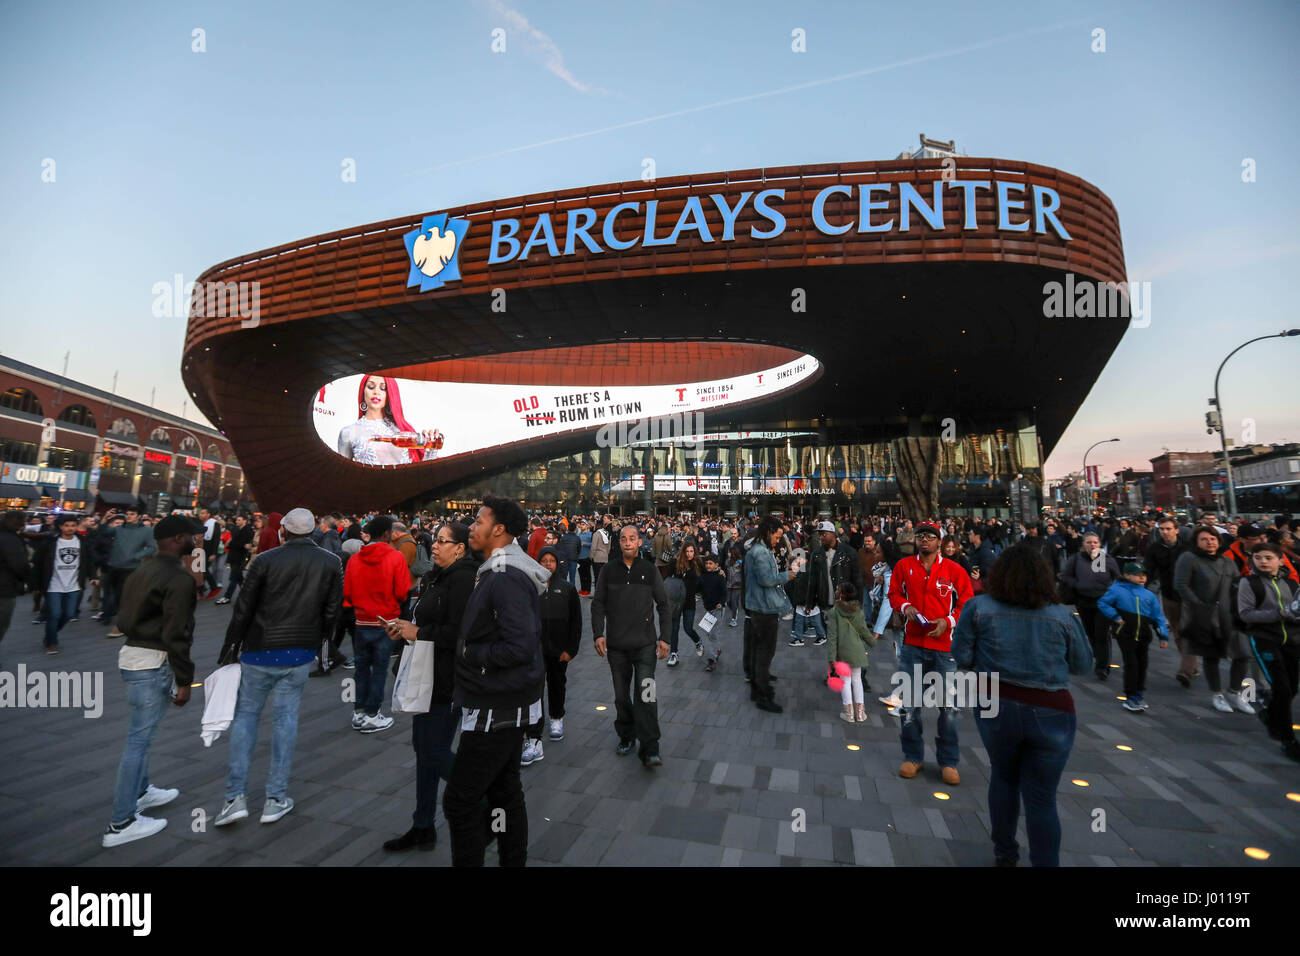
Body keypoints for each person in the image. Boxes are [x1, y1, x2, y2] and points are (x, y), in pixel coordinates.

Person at [950, 545, 1094, 866]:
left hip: (996, 701)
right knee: (1042, 798)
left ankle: (1005, 851)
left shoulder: (978, 607)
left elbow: (961, 656)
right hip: (1051, 707)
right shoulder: (1062, 615)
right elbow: (1083, 664)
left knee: (1003, 777)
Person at [212, 508, 343, 827]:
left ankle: (235, 798)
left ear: (283, 530)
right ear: (314, 531)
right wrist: (321, 644)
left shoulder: (264, 560)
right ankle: (275, 798)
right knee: (285, 720)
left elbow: (243, 608)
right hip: (298, 652)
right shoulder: (330, 562)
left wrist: (231, 645)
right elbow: (332, 611)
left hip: (258, 649)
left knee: (246, 718)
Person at [442, 495, 548, 867]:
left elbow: (520, 645)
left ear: (498, 530)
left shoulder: (504, 577)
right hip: (505, 699)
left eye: (478, 520)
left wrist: (473, 656)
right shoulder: (496, 570)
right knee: (504, 791)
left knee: (460, 799)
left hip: (496, 703)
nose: (471, 526)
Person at [102, 514, 203, 848]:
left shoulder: (141, 570)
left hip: (132, 655)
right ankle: (121, 823)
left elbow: (125, 616)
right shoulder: (179, 578)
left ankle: (141, 792)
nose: (196, 540)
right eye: (192, 535)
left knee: (139, 737)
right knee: (138, 741)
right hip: (153, 661)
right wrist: (185, 680)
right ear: (176, 539)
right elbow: (178, 632)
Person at [382, 521, 478, 852]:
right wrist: (405, 628)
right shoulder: (436, 576)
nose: (433, 545)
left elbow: (460, 634)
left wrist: (418, 633)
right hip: (424, 674)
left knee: (433, 750)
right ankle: (422, 824)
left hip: (447, 679)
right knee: (423, 751)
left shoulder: (464, 579)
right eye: (434, 540)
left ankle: (483, 802)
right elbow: (425, 620)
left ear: (460, 548)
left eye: (441, 541)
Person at [887, 521, 973, 784]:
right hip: (913, 645)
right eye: (921, 536)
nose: (924, 540)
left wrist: (949, 620)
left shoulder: (954, 569)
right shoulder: (904, 566)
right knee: (910, 706)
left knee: (948, 708)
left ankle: (949, 761)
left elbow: (967, 601)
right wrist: (905, 607)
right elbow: (893, 593)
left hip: (944, 649)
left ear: (940, 542)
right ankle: (913, 756)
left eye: (931, 537)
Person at [592, 523, 671, 765]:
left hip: (645, 646)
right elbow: (598, 604)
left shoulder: (649, 570)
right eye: (624, 538)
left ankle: (650, 747)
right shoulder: (608, 571)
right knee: (621, 696)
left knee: (647, 695)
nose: (628, 542)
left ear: (639, 542)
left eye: (632, 538)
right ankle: (626, 735)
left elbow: (664, 605)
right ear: (620, 542)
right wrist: (598, 633)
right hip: (617, 647)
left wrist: (665, 638)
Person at [342, 515, 410, 733]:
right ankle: (373, 714)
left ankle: (358, 711)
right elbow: (402, 592)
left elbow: (348, 593)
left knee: (361, 668)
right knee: (379, 668)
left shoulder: (354, 559)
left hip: (361, 620)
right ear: (386, 534)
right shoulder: (396, 558)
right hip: (386, 621)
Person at [1175, 526, 1250, 714]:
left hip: (1230, 614)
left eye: (1213, 539)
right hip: (1205, 614)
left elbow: (1237, 584)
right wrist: (1199, 605)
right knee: (1212, 655)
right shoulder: (1189, 559)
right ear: (1196, 542)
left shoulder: (1227, 562)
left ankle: (1234, 691)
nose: (1210, 542)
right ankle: (1216, 693)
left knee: (1243, 654)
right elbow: (1181, 585)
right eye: (1204, 539)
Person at [1237, 541, 1300, 761]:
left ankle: (1269, 714)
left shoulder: (1291, 584)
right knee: (1282, 688)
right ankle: (1287, 739)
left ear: (1281, 561)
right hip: (1264, 639)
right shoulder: (1249, 582)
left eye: (1268, 558)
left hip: (1291, 640)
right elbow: (1246, 614)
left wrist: (1294, 615)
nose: (1263, 561)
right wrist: (1280, 613)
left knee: (1292, 688)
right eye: (1258, 557)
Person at [522, 545, 582, 765]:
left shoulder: (566, 589)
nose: (547, 564)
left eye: (551, 561)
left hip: (559, 650)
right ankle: (533, 735)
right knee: (534, 692)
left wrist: (571, 649)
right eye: (544, 560)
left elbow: (576, 622)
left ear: (557, 564)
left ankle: (557, 717)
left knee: (557, 684)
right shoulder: (530, 588)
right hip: (534, 651)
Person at [1097, 561, 1169, 713]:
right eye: (1138, 575)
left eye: (1144, 575)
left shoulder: (1149, 595)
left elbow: (1158, 617)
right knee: (1131, 664)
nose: (1142, 578)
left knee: (1143, 664)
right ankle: (1131, 695)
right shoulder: (1117, 590)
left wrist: (1163, 635)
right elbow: (1103, 603)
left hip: (1143, 635)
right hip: (1126, 633)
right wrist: (1116, 617)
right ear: (1127, 575)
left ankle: (1139, 693)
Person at [745, 515, 796, 714]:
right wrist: (788, 575)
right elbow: (766, 580)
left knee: (761, 651)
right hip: (763, 608)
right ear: (768, 533)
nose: (778, 540)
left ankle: (758, 688)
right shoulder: (760, 552)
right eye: (777, 536)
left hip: (761, 606)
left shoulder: (760, 550)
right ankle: (762, 693)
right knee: (765, 652)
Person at [337, 374, 443, 465]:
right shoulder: (348, 432)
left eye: (383, 388)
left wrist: (431, 451)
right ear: (363, 392)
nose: (376, 392)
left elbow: (421, 475)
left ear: (390, 394)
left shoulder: (403, 429)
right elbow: (344, 476)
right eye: (371, 386)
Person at [1060, 533, 1121, 681]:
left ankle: (1102, 666)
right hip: (1083, 601)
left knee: (1102, 633)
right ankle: (1097, 654)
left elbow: (1117, 577)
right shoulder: (1076, 559)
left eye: (1095, 542)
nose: (1092, 545)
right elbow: (1066, 576)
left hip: (1103, 601)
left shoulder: (1105, 559)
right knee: (1090, 632)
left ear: (1099, 544)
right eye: (1088, 542)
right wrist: (1078, 584)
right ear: (1083, 544)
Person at [1144, 516, 1195, 687]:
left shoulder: (1188, 547)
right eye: (1162, 529)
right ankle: (1190, 665)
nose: (1165, 532)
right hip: (1169, 594)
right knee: (1178, 631)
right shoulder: (1154, 548)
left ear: (1176, 530)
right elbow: (1149, 571)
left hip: (1190, 596)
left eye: (1168, 528)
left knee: (1189, 631)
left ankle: (1186, 670)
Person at [35, 514, 96, 655]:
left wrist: (93, 576)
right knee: (54, 614)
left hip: (74, 585)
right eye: (67, 525)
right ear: (61, 527)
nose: (70, 528)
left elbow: (89, 560)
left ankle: (50, 634)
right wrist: (36, 581)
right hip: (53, 585)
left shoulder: (82, 541)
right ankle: (52, 642)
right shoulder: (51, 542)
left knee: (68, 614)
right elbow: (38, 561)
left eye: (73, 525)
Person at [101, 508, 157, 637]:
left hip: (130, 569)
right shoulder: (119, 529)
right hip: (113, 566)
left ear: (138, 516)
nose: (128, 516)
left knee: (123, 597)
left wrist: (136, 556)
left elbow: (153, 548)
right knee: (113, 596)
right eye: (127, 514)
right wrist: (106, 518)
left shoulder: (147, 531)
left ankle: (121, 626)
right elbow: (104, 532)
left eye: (132, 514)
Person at [825, 581, 875, 723]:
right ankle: (860, 713)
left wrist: (831, 658)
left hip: (843, 651)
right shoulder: (858, 610)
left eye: (837, 589)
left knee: (845, 681)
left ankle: (849, 713)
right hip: (857, 650)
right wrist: (873, 641)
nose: (835, 591)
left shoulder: (834, 612)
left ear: (841, 594)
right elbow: (863, 630)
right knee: (857, 679)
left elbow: (832, 638)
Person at [0, 511, 32, 654]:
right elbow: (19, 564)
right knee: (2, 623)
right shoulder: (11, 539)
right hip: (4, 588)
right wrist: (29, 580)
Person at [697, 553, 727, 672]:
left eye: (711, 563)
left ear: (716, 565)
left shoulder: (720, 577)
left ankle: (711, 660)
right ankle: (717, 649)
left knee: (712, 634)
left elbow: (724, 593)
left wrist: (721, 602)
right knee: (709, 633)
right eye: (707, 563)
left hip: (717, 609)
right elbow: (698, 587)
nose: (708, 565)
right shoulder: (703, 576)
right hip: (708, 610)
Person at [217, 514, 254, 606]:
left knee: (234, 577)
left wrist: (231, 544)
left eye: (239, 520)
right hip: (233, 556)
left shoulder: (248, 530)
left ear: (244, 521)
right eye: (237, 520)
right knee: (239, 577)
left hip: (240, 557)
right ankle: (248, 594)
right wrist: (233, 544)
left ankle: (227, 597)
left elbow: (241, 543)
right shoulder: (236, 529)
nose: (237, 521)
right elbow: (236, 542)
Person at [589, 517, 612, 592]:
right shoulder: (607, 533)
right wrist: (606, 553)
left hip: (597, 557)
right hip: (605, 557)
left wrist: (591, 556)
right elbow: (609, 546)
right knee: (604, 577)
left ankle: (597, 593)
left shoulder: (596, 534)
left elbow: (593, 547)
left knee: (597, 577)